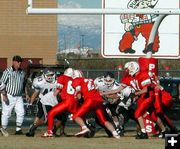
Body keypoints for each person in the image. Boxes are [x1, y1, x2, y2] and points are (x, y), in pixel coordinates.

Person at [72, 70, 120, 139]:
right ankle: (115, 134)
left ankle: (84, 128)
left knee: (75, 116)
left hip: (90, 100)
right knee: (103, 120)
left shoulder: (77, 80)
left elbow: (79, 94)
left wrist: (79, 99)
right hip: (99, 100)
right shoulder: (90, 79)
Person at [26, 68, 66, 137]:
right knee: (42, 117)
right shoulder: (39, 81)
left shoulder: (58, 81)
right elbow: (36, 92)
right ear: (44, 75)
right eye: (48, 75)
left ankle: (52, 131)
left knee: (61, 117)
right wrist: (30, 103)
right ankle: (33, 127)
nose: (50, 77)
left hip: (53, 102)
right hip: (43, 102)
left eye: (51, 75)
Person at [0, 55, 30, 136]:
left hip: (19, 96)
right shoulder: (8, 71)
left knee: (21, 112)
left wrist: (26, 94)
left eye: (20, 62)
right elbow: (1, 84)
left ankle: (18, 130)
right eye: (17, 61)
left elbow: (24, 85)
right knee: (6, 113)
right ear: (13, 62)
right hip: (8, 95)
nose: (19, 63)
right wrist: (4, 95)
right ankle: (3, 130)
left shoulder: (22, 72)